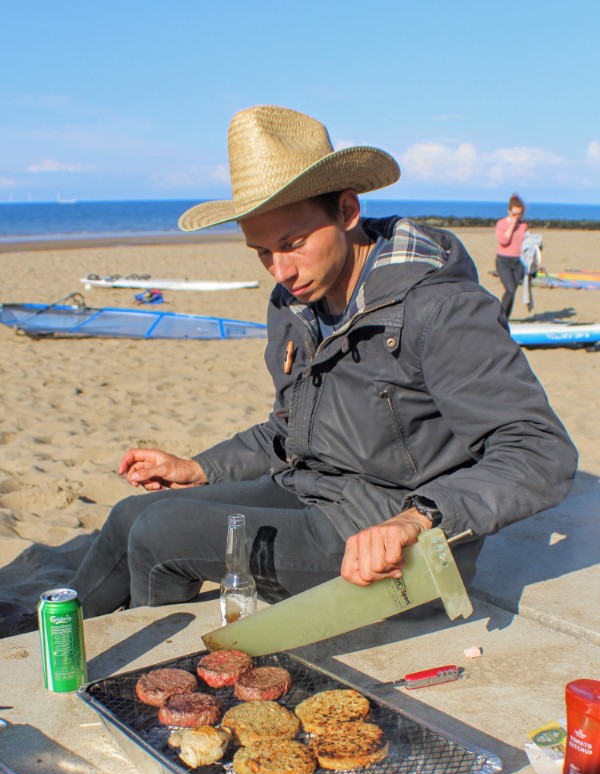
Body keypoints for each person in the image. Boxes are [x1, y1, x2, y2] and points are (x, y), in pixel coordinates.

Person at [71, 106, 577, 618]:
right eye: (263, 252)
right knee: (130, 517)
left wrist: (416, 519)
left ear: (348, 210)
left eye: (293, 244)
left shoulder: (441, 309)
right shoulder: (292, 304)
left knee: (162, 536)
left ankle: (167, 681)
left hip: (394, 545)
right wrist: (199, 467)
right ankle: (41, 642)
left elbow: (539, 452)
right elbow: (290, 431)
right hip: (310, 493)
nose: (282, 270)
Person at [495, 194, 528, 317]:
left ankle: (506, 317)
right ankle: (500, 316)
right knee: (510, 289)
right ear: (509, 211)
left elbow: (525, 243)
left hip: (518, 262)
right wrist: (512, 225)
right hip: (503, 261)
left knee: (513, 291)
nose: (517, 217)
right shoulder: (502, 224)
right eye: (514, 214)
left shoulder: (523, 225)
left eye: (519, 214)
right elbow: (503, 240)